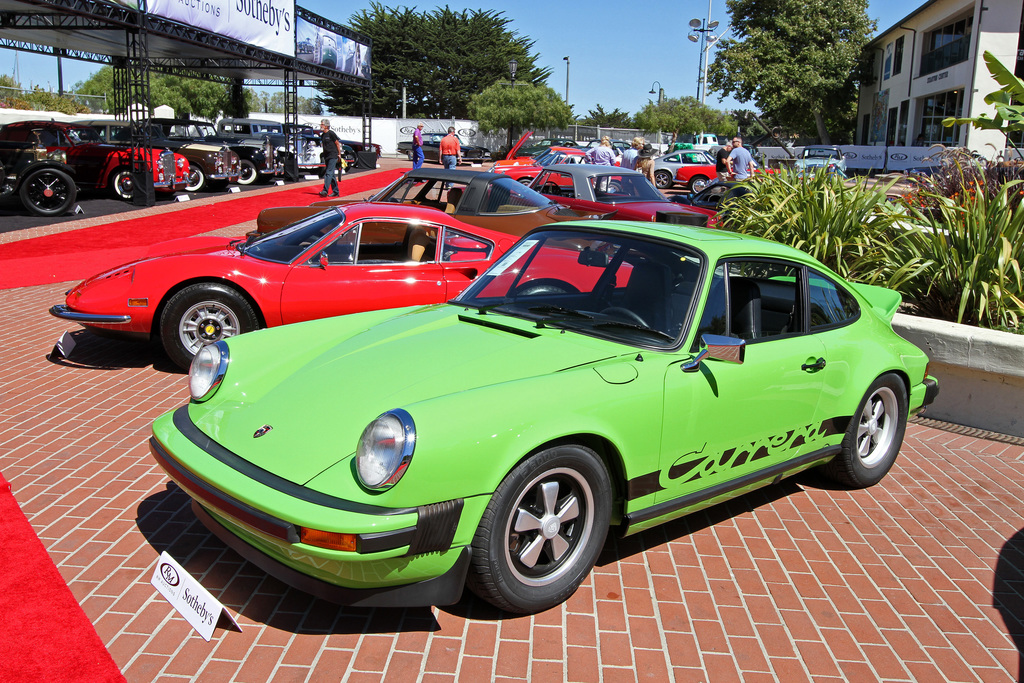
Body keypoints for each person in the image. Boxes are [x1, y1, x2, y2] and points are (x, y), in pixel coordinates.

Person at [319, 119, 342, 197]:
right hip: (326, 156)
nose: (320, 125)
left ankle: (325, 190)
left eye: (322, 124)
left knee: (328, 172)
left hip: (333, 155)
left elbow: (337, 144)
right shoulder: (322, 135)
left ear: (326, 126)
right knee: (331, 174)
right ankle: (336, 191)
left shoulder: (331, 133)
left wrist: (339, 154)